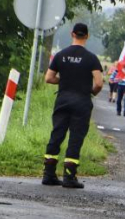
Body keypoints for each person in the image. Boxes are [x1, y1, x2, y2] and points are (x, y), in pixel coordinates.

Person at [41, 23, 103, 189]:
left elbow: (48, 78)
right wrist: (91, 91)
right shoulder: (91, 58)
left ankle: (48, 174)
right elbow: (99, 83)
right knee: (76, 137)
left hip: (63, 100)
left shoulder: (60, 55)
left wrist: (65, 80)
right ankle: (69, 177)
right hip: (81, 102)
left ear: (72, 34)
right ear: (87, 36)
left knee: (57, 135)